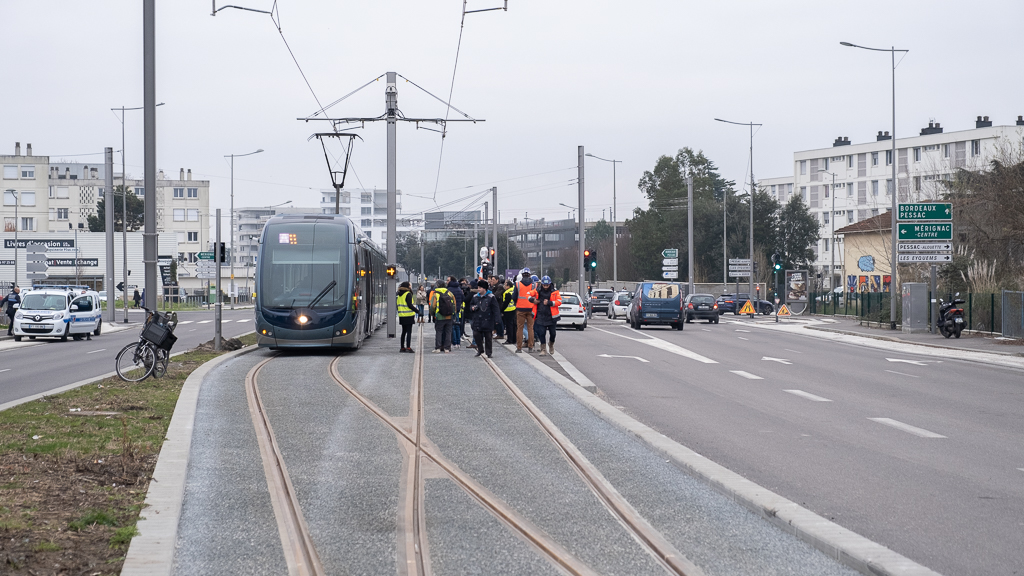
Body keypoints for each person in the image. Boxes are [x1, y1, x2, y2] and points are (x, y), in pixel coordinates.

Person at [469, 279, 501, 358]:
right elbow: (470, 305)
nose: (478, 289)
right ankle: (480, 349)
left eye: (480, 287)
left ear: (484, 288)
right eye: (478, 287)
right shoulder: (475, 297)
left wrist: (497, 320)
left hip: (488, 319)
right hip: (477, 319)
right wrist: (472, 308)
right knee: (476, 335)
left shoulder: (491, 297)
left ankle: (489, 352)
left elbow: (496, 309)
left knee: (488, 337)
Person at [532, 276, 561, 356]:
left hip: (551, 316)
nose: (545, 287)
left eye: (547, 285)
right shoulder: (538, 290)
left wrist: (550, 303)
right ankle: (543, 349)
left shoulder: (554, 292)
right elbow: (529, 295)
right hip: (541, 315)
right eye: (544, 285)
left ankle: (551, 344)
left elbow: (559, 301)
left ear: (549, 284)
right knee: (542, 333)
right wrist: (532, 300)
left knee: (553, 333)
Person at [511, 273, 537, 353]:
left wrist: (517, 303)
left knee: (520, 328)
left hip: (520, 308)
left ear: (522, 275)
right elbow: (537, 295)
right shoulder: (534, 285)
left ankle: (519, 348)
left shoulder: (518, 284)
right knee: (530, 328)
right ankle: (530, 347)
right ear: (529, 275)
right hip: (531, 308)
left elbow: (514, 296)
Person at [430, 279, 455, 353]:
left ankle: (438, 347)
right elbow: (454, 304)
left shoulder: (436, 294)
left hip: (439, 315)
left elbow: (433, 305)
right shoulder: (450, 293)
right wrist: (453, 313)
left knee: (439, 331)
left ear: (437, 285)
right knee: (448, 332)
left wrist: (432, 313)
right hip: (449, 316)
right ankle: (447, 348)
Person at [397, 281, 418, 353]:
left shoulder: (399, 294)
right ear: (407, 286)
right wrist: (418, 311)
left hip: (402, 315)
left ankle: (402, 347)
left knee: (403, 332)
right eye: (410, 285)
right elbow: (410, 305)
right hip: (409, 316)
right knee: (409, 332)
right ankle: (408, 347)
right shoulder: (408, 294)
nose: (411, 286)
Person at [447, 277, 463, 349]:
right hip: (458, 310)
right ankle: (458, 342)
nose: (446, 282)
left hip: (451, 310)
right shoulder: (459, 289)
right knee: (457, 326)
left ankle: (454, 342)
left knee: (452, 326)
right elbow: (463, 298)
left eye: (448, 280)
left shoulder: (449, 290)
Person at [501, 280, 517, 345]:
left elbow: (506, 303)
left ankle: (509, 340)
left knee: (509, 326)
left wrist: (501, 310)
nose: (504, 286)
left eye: (505, 285)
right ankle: (514, 339)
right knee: (513, 325)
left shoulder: (507, 292)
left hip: (508, 310)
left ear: (508, 286)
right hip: (514, 309)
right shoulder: (513, 290)